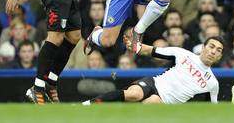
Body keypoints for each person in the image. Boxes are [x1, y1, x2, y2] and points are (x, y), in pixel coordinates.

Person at [82, 35, 224, 105]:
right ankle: (89, 104)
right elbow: (151, 50)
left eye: (218, 50)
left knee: (150, 104)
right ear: (203, 47)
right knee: (134, 94)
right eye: (211, 46)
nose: (213, 51)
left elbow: (212, 108)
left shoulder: (212, 83)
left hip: (164, 100)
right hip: (154, 83)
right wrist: (135, 46)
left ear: (219, 56)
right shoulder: (182, 53)